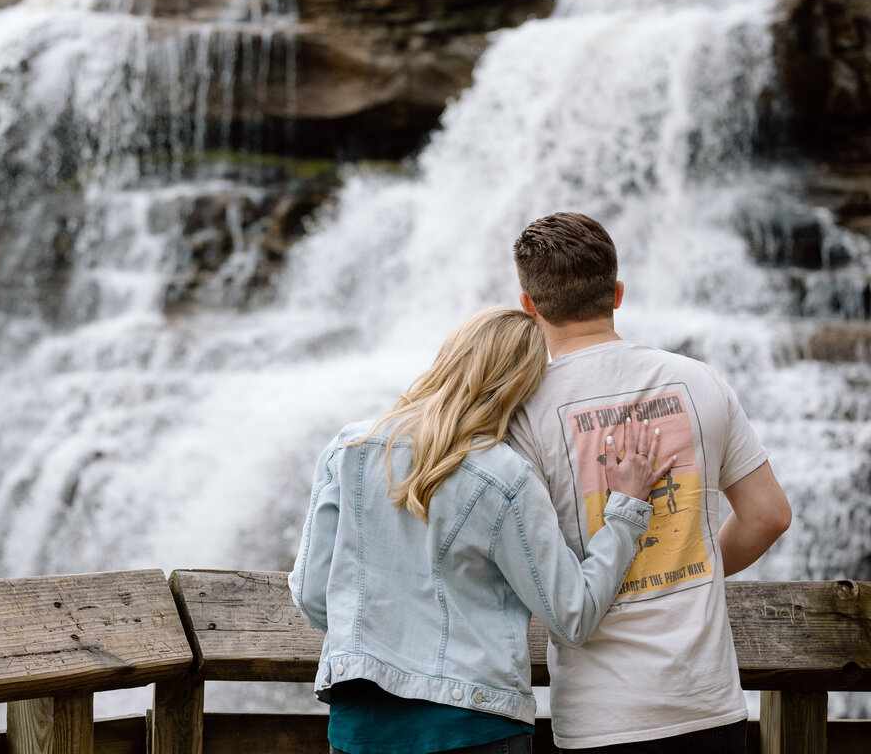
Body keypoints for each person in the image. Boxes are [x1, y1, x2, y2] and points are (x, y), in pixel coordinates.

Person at [289, 307, 673, 754]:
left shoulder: (349, 449)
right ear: (523, 389)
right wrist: (625, 512)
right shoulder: (506, 477)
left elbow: (314, 595)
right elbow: (573, 616)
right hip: (475, 725)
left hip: (364, 725)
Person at [508, 212, 793, 753]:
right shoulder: (698, 379)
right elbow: (769, 515)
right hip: (707, 702)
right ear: (617, 293)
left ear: (530, 306)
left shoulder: (525, 411)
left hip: (601, 716)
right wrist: (693, 562)